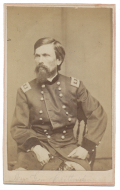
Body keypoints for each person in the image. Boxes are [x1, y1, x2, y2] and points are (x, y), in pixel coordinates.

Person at [10, 37, 107, 171]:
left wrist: (86, 147)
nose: (40, 61)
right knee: (21, 176)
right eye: (37, 56)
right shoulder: (26, 91)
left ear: (59, 60)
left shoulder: (75, 86)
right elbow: (18, 127)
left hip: (68, 148)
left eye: (45, 55)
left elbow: (97, 114)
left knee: (76, 176)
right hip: (36, 149)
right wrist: (36, 147)